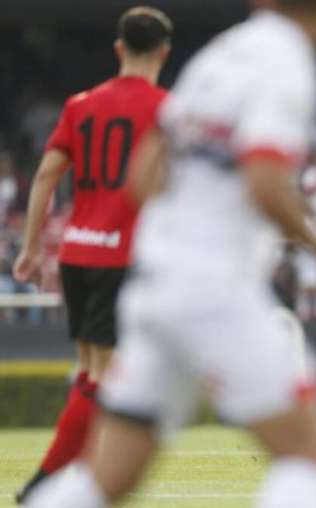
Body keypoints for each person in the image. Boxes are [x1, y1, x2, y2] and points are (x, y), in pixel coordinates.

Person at [26, 1, 316, 507]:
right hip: (214, 289)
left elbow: (144, 175)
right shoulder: (289, 63)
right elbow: (264, 181)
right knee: (308, 459)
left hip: (153, 284)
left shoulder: (218, 57)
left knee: (106, 480)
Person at [13, 7, 172, 503]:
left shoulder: (81, 104)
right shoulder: (166, 108)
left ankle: (69, 476)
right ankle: (47, 482)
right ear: (163, 52)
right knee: (107, 375)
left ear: (119, 49)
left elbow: (45, 175)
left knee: (88, 370)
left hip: (77, 252)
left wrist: (31, 247)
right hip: (121, 257)